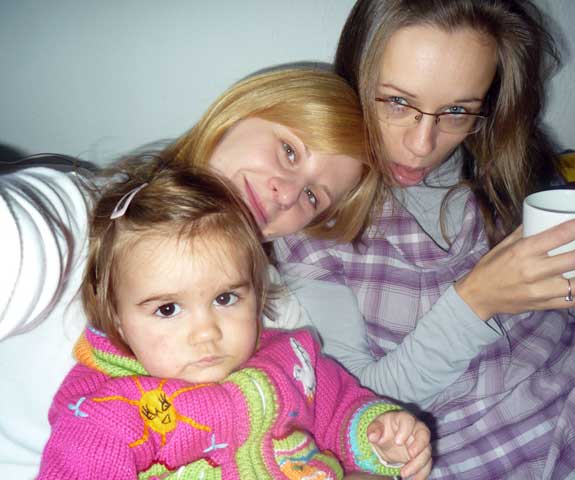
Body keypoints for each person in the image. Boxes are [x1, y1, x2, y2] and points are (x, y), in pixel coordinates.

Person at [274, 0, 575, 477]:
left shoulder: (505, 168)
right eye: (397, 102)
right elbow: (356, 402)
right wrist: (475, 302)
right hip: (472, 447)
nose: (422, 145)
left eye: (456, 111)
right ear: (356, 79)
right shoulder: (312, 216)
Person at [0, 68, 383, 479]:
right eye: (289, 151)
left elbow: (333, 421)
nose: (287, 194)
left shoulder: (278, 313)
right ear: (237, 113)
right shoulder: (74, 220)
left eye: (312, 196)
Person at [36, 160, 432, 479]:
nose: (206, 332)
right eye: (168, 309)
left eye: (225, 298)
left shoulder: (293, 361)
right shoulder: (107, 411)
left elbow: (342, 410)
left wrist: (379, 434)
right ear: (117, 319)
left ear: (256, 294)